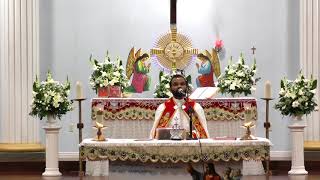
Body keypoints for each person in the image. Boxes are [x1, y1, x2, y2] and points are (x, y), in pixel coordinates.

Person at [149, 74, 210, 139]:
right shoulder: (163, 108)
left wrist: (190, 135)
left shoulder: (196, 107)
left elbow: (203, 134)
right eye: (175, 84)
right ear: (170, 89)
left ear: (186, 87)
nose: (179, 86)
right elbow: (156, 135)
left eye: (182, 84)